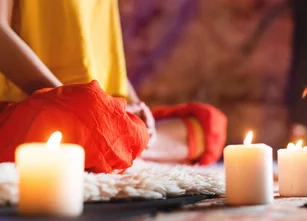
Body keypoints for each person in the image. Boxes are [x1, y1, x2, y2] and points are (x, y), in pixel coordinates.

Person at [0, 0, 227, 171]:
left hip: (93, 111)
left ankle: (124, 144)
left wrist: (135, 105)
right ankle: (128, 146)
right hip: (28, 108)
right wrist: (74, 104)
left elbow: (103, 55)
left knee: (209, 124)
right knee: (95, 121)